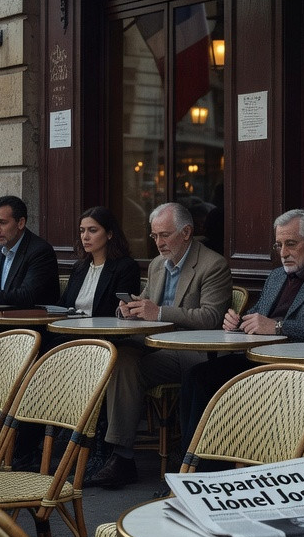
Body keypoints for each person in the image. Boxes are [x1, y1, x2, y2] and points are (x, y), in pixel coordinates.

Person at [177, 208, 304, 450]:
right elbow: (257, 315)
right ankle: (191, 468)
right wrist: (238, 322)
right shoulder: (276, 276)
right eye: (278, 245)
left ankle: (205, 469)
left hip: (303, 370)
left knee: (207, 382)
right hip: (259, 360)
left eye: (291, 244)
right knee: (198, 377)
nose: (283, 253)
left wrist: (279, 327)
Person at [85, 201, 232, 488]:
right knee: (120, 359)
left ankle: (129, 456)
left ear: (187, 232)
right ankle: (122, 456)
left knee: (127, 359)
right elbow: (144, 302)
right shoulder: (156, 265)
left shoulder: (213, 265)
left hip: (192, 352)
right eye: (154, 236)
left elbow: (211, 317)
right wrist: (126, 310)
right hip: (156, 346)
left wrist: (160, 313)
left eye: (164, 235)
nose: (158, 243)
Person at [58, 206, 141, 317]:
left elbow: (121, 311)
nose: (85, 237)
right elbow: (64, 305)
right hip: (70, 330)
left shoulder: (126, 267)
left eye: (92, 230)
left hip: (103, 331)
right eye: (82, 231)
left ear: (109, 234)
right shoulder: (79, 267)